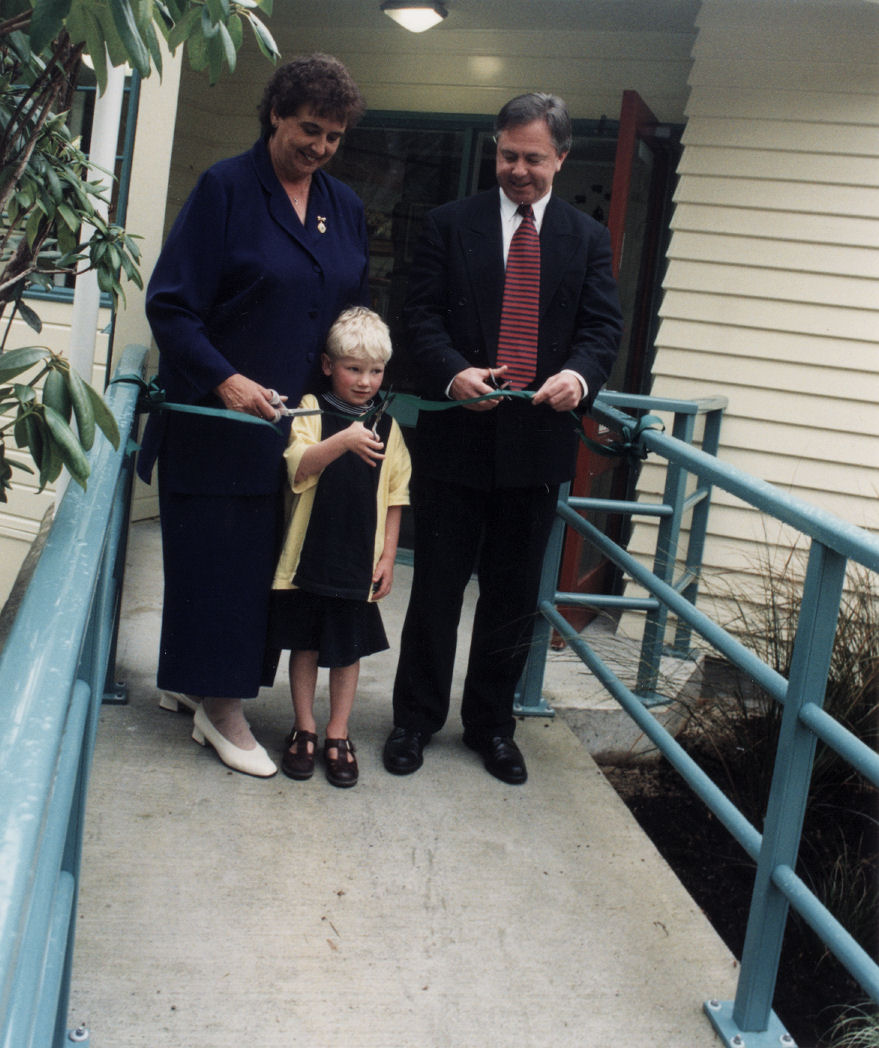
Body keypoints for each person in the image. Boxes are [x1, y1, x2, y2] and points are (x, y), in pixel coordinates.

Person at [137, 53, 370, 778]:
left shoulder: (345, 206)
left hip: (295, 430)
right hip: (217, 423)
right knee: (218, 565)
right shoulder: (225, 190)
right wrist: (226, 380)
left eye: (333, 135)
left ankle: (194, 679)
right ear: (274, 113)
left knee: (262, 569)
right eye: (309, 128)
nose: (319, 147)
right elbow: (170, 305)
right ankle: (222, 709)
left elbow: (344, 318)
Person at [383, 91, 623, 785]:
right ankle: (414, 720)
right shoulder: (446, 224)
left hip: (536, 448)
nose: (518, 170)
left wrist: (578, 379)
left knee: (512, 597)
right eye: (507, 155)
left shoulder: (585, 238)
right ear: (495, 149)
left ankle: (490, 726)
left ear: (561, 158)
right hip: (456, 441)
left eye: (533, 159)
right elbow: (419, 316)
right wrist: (453, 373)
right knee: (433, 590)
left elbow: (601, 331)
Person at [267, 307, 411, 788]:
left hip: (357, 562)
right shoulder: (311, 408)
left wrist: (388, 557)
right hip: (310, 558)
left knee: (346, 652)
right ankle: (303, 728)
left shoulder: (389, 428)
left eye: (375, 371)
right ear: (329, 366)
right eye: (354, 368)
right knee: (305, 644)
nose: (365, 381)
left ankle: (337, 733)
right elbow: (299, 466)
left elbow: (395, 497)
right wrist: (344, 439)